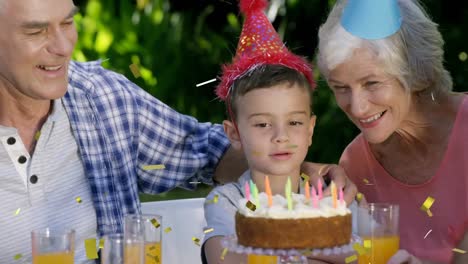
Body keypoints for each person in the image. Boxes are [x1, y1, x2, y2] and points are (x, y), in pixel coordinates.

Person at [0, 0, 356, 262]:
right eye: (36, 30)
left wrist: (299, 173)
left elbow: (210, 151)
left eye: (67, 23)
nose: (63, 47)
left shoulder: (103, 100)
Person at [203, 0, 357, 263]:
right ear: (234, 134)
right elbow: (223, 257)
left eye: (294, 123)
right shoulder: (228, 202)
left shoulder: (331, 197)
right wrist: (318, 250)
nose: (281, 136)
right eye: (263, 124)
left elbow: (364, 255)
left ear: (310, 129)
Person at [316, 0, 468, 262]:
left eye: (372, 83)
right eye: (341, 88)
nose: (358, 107)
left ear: (413, 72)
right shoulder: (355, 166)